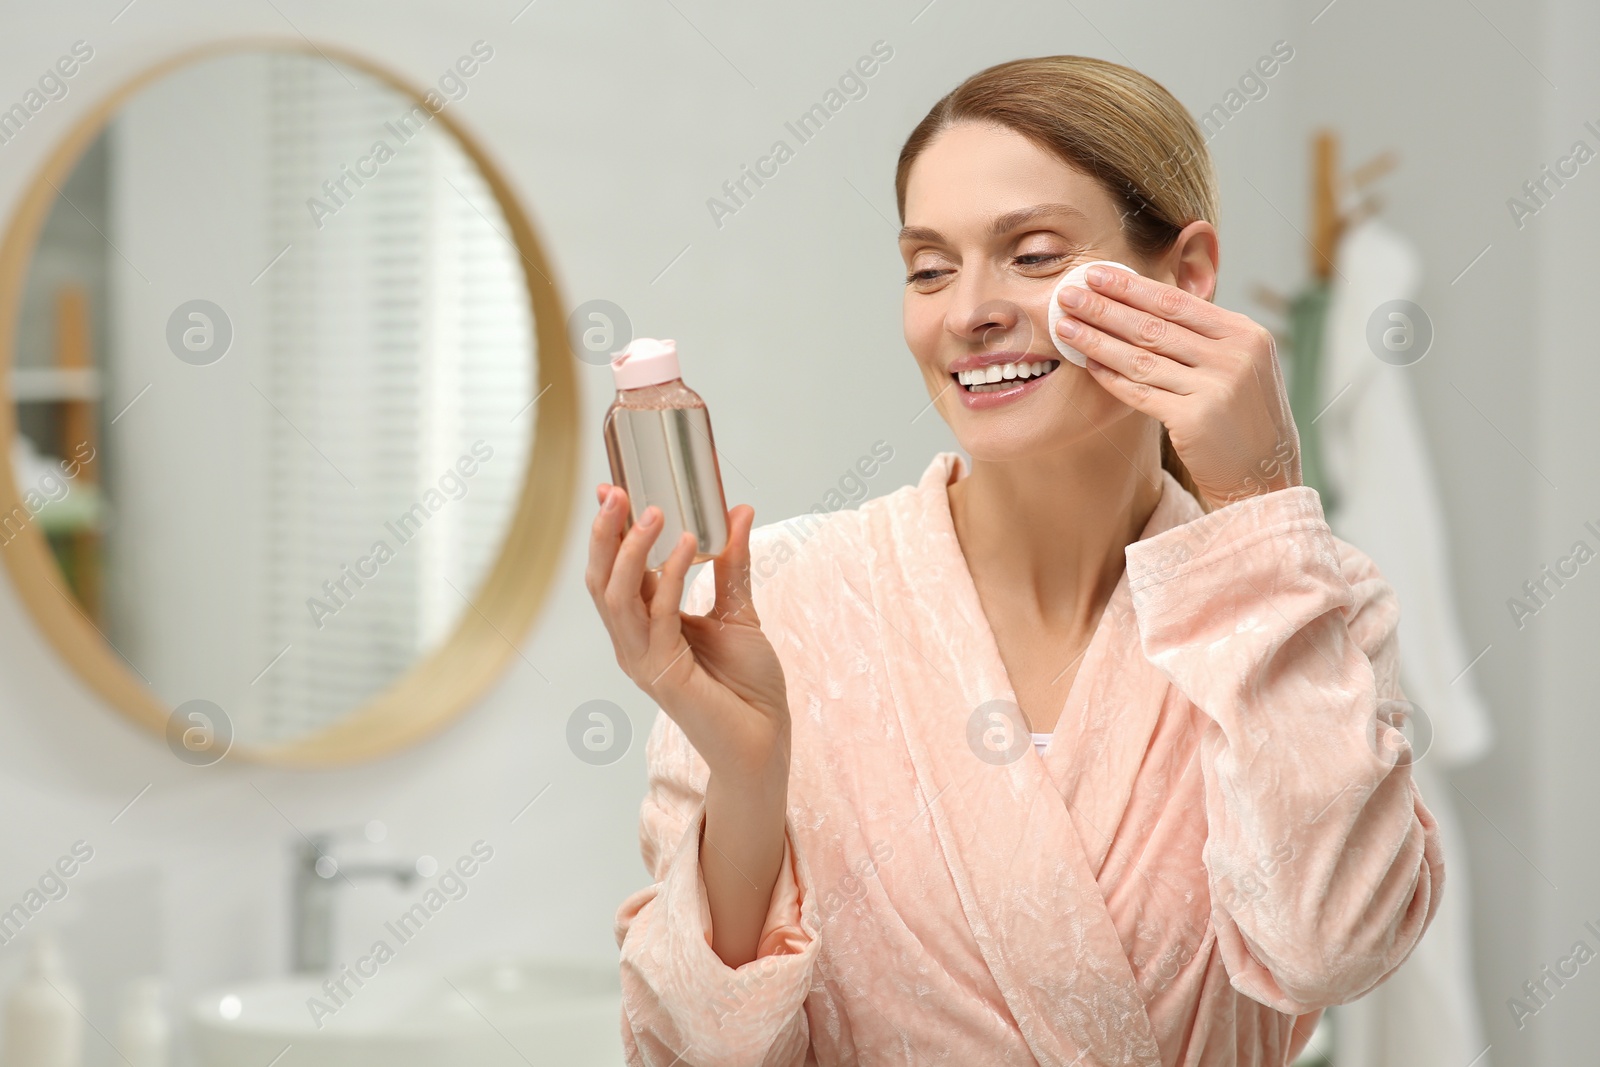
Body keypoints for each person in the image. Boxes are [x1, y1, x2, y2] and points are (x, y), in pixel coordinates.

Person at [589, 54, 1442, 1067]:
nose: (967, 312)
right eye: (928, 267)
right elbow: (683, 1055)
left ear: (1187, 275)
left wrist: (1256, 511)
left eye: (1032, 254)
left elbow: (1329, 950)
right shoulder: (782, 603)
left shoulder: (1303, 604)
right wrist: (745, 777)